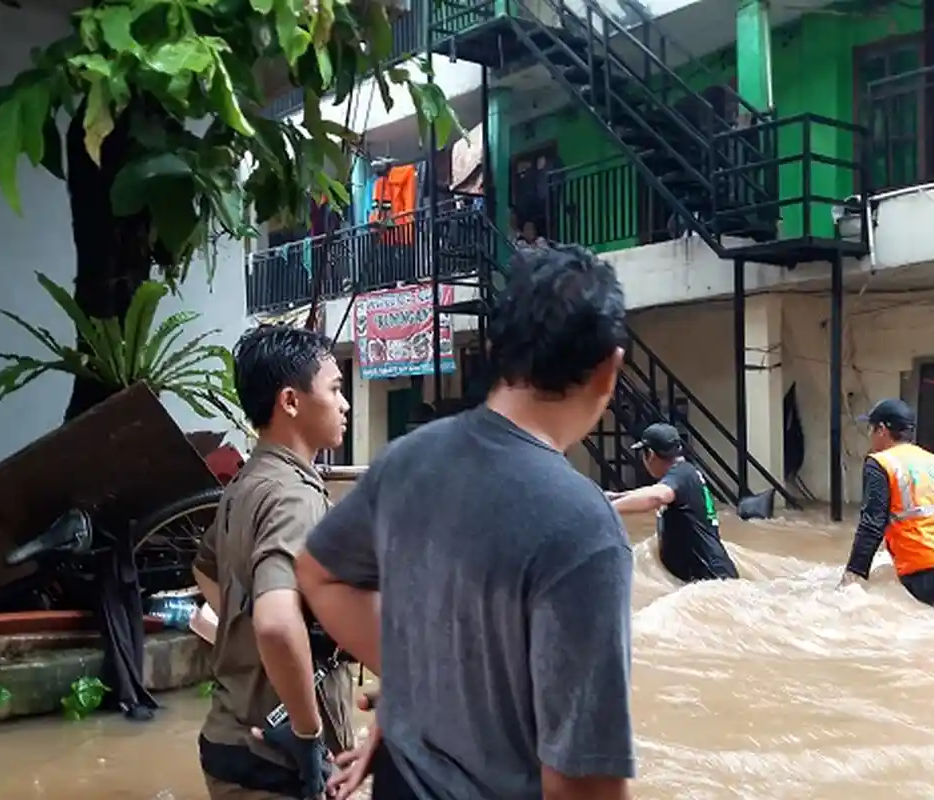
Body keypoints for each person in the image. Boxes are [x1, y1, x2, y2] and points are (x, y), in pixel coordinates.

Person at [297, 244, 637, 799]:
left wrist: (417, 680)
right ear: (609, 369)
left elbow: (317, 574)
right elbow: (584, 782)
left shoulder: (406, 459)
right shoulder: (584, 528)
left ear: (500, 351)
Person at [192, 325, 355, 799]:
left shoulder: (247, 482)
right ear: (291, 401)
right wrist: (307, 735)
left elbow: (205, 569)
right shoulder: (292, 497)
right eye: (335, 389)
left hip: (229, 737)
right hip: (277, 758)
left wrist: (248, 645)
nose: (344, 404)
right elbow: (277, 626)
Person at [840, 398, 934, 605]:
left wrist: (852, 579)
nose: (869, 436)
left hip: (929, 573)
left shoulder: (881, 463)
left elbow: (872, 524)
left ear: (882, 430)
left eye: (871, 429)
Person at [608, 422, 739, 582]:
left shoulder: (682, 475)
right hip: (708, 578)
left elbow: (655, 497)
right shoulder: (684, 474)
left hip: (710, 579)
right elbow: (648, 492)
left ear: (650, 454)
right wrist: (610, 497)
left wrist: (606, 509)